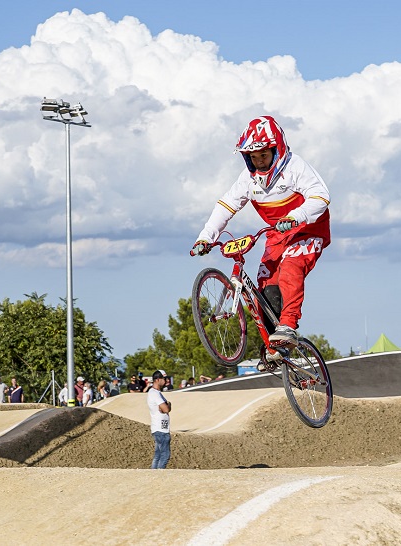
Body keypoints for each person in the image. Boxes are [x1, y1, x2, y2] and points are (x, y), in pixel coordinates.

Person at [191, 116, 331, 368]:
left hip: (308, 230)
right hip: (276, 234)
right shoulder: (248, 178)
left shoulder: (295, 167)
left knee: (290, 268)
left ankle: (288, 326)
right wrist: (206, 236)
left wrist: (295, 216)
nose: (258, 162)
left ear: (277, 149)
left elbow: (321, 197)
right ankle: (273, 347)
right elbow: (226, 205)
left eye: (263, 156)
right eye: (253, 157)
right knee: (266, 285)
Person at [147, 370, 171, 469]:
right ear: (157, 380)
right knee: (165, 455)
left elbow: (166, 407)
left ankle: (153, 476)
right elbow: (166, 408)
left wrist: (167, 405)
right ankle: (159, 476)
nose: (166, 380)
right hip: (161, 429)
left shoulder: (156, 393)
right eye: (164, 379)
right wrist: (167, 405)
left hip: (160, 428)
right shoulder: (154, 393)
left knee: (158, 455)